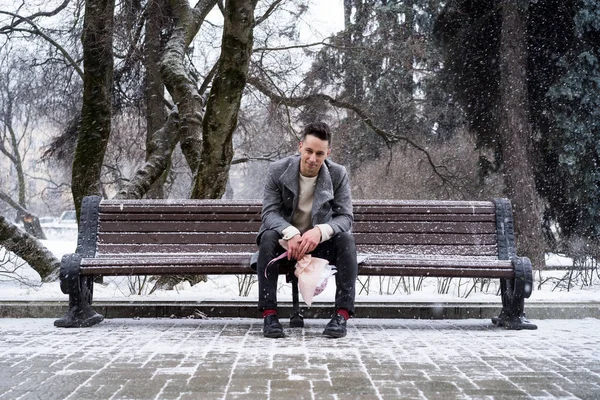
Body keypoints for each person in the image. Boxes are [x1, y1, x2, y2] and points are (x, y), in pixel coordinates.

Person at [254, 121, 358, 338]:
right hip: (285, 246)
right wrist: (290, 232)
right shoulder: (278, 170)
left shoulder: (337, 174)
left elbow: (345, 217)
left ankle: (341, 315)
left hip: (319, 246)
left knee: (346, 240)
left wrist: (321, 231)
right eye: (309, 151)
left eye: (320, 153)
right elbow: (269, 213)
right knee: (267, 237)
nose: (313, 159)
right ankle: (269, 315)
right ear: (300, 146)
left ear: (328, 153)